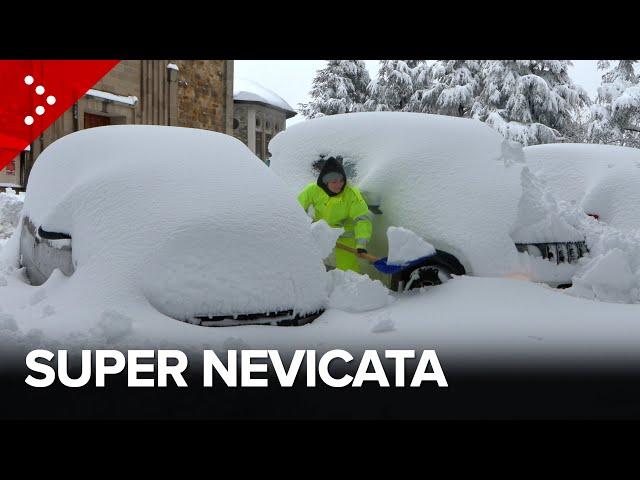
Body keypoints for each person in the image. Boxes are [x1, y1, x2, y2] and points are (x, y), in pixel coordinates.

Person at [298, 156, 372, 272]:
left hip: (344, 237)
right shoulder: (313, 190)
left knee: (348, 272)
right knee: (312, 268)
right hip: (321, 235)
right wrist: (300, 228)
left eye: (342, 180)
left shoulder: (351, 194)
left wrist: (361, 245)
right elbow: (296, 208)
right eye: (334, 181)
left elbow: (362, 219)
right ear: (325, 182)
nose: (339, 185)